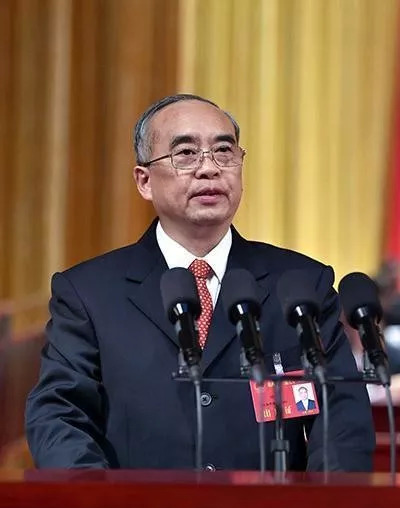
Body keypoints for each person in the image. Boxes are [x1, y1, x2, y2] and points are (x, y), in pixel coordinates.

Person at [25, 94, 375, 471]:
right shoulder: (89, 293)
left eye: (224, 151)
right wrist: (101, 502)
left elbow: (342, 418)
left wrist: (321, 504)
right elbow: (59, 415)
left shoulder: (300, 286)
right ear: (144, 181)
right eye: (186, 153)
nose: (209, 168)